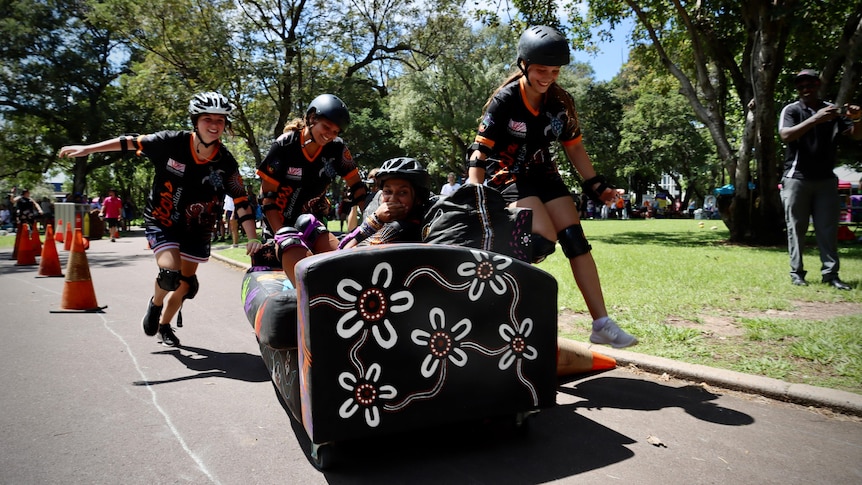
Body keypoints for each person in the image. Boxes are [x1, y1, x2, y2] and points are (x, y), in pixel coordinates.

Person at [466, 25, 637, 349]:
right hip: (505, 172)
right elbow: (480, 148)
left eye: (554, 71)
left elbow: (574, 148)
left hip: (542, 171)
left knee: (574, 238)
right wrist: (474, 191)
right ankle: (500, 310)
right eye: (541, 70)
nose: (548, 77)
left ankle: (601, 323)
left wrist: (598, 186)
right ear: (523, 65)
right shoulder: (506, 100)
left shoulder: (560, 103)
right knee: (541, 236)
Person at [59, 91, 263, 346]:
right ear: (195, 121)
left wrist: (252, 237)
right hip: (162, 219)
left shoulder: (226, 162)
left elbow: (242, 201)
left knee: (185, 285)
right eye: (207, 119)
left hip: (197, 228)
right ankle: (155, 305)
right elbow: (130, 142)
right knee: (170, 274)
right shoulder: (170, 142)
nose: (214, 125)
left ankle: (165, 325)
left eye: (220, 120)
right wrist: (87, 149)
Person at [257, 94, 367, 285]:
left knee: (343, 266)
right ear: (312, 118)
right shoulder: (284, 145)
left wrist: (373, 221)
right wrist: (281, 233)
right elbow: (267, 199)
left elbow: (358, 188)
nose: (330, 135)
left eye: (336, 131)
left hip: (310, 222)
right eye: (326, 127)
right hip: (279, 224)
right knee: (294, 248)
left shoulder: (337, 149)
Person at [778, 68, 862, 289]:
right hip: (797, 178)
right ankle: (797, 273)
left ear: (818, 85)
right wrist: (815, 120)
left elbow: (856, 135)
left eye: (810, 85)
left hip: (826, 179)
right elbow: (786, 135)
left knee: (828, 228)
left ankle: (831, 274)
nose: (806, 89)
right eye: (801, 86)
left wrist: (857, 118)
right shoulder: (792, 109)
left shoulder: (831, 111)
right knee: (796, 228)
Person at [339, 157, 431, 248]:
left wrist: (375, 219)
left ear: (418, 198)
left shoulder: (395, 230)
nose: (392, 199)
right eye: (388, 192)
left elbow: (344, 254)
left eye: (403, 192)